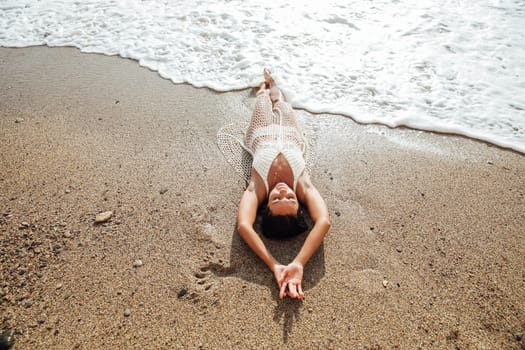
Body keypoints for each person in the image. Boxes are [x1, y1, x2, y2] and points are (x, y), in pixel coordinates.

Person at [237, 69, 331, 300]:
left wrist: (275, 265)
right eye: (290, 199)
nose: (282, 193)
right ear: (299, 204)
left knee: (262, 101)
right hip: (290, 135)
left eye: (276, 199)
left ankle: (262, 85)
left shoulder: (257, 187)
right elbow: (324, 222)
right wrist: (298, 263)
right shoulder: (303, 185)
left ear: (265, 206)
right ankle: (273, 82)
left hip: (260, 134)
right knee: (280, 102)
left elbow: (244, 226)